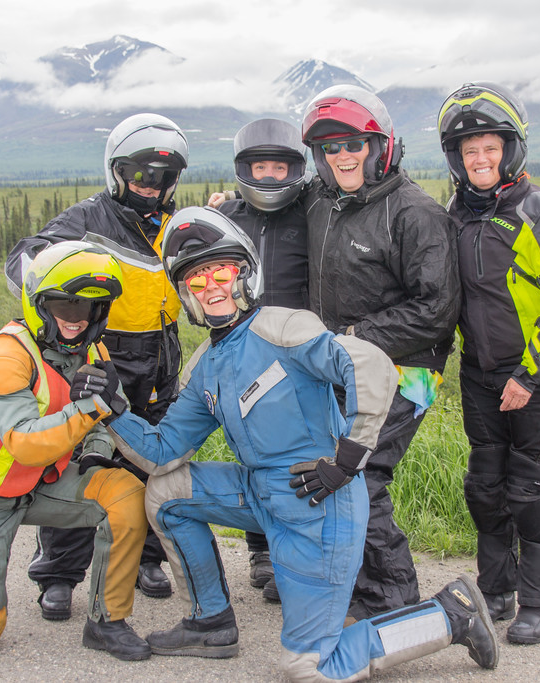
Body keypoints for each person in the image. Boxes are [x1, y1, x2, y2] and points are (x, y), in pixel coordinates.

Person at [97, 206, 497, 680]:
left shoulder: (283, 327)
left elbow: (367, 364)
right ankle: (209, 622)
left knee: (310, 666)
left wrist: (347, 460)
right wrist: (113, 407)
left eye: (220, 273)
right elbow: (162, 453)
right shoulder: (205, 363)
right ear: (187, 296)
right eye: (197, 282)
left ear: (244, 276)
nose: (212, 289)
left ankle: (450, 614)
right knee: (166, 495)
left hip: (319, 502)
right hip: (261, 493)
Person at [0, 241, 150, 661]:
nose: (77, 319)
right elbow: (25, 443)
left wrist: (93, 452)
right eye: (65, 306)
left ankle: (106, 622)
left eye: (90, 309)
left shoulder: (93, 350)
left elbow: (103, 424)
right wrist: (92, 408)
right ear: (38, 302)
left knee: (126, 493)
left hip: (36, 486)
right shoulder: (8, 354)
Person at [4, 113, 188, 616]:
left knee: (154, 460)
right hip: (102, 353)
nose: (151, 185)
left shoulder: (175, 224)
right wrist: (51, 310)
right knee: (83, 460)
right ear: (116, 171)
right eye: (140, 173)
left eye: (164, 176)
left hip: (161, 358)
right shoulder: (88, 217)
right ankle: (58, 573)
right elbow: (28, 257)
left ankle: (146, 558)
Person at [300, 85, 461, 622]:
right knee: (333, 471)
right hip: (345, 365)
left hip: (407, 370)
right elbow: (270, 197)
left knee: (361, 475)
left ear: (380, 146)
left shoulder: (416, 213)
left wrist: (352, 334)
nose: (342, 156)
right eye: (329, 148)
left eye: (353, 144)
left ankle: (393, 600)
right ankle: (355, 587)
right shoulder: (324, 202)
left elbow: (436, 309)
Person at [437, 82, 540, 645]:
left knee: (534, 485)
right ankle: (494, 590)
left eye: (490, 148)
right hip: (480, 371)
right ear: (457, 158)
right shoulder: (455, 215)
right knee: (486, 484)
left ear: (510, 149)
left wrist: (529, 375)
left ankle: (538, 603)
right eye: (470, 150)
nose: (480, 159)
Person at [213, 117, 312, 601]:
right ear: (243, 169)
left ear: (295, 168)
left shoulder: (314, 209)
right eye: (260, 166)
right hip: (246, 349)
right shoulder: (229, 216)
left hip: (300, 353)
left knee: (299, 456)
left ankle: (298, 551)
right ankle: (262, 552)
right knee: (251, 451)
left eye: (279, 166)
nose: (270, 175)